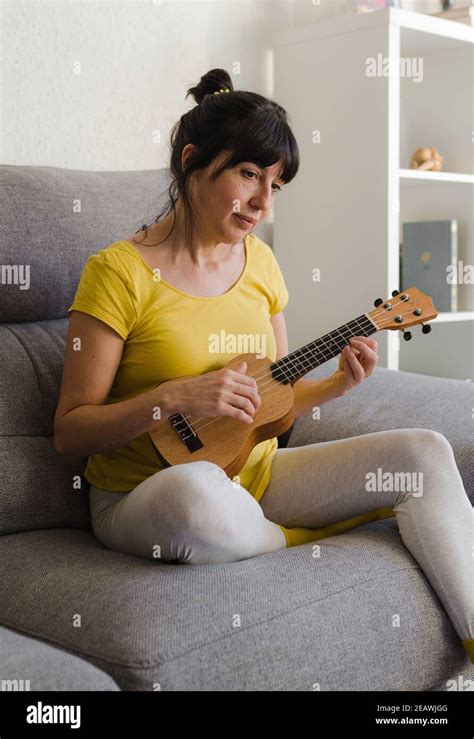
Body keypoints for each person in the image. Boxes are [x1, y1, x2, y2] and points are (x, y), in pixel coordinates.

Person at [54, 68, 473, 663]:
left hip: (252, 476)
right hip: (144, 494)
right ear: (192, 162)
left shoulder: (262, 266)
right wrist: (172, 398)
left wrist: (331, 387)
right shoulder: (117, 273)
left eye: (275, 183)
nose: (262, 202)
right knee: (195, 493)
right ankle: (300, 537)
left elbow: (265, 409)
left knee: (424, 452)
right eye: (249, 174)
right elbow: (70, 431)